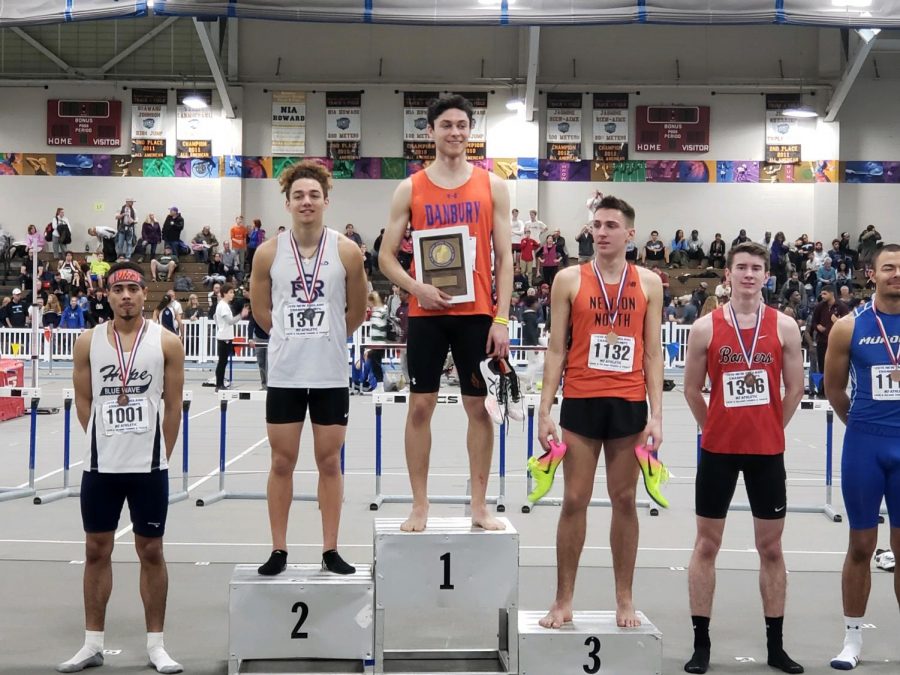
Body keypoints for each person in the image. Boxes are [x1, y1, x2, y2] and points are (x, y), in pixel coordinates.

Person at [378, 94, 512, 532]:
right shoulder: (410, 188)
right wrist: (417, 287)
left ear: (470, 132)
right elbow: (384, 258)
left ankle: (479, 505)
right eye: (446, 125)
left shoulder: (492, 185)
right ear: (430, 131)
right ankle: (420, 504)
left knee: (479, 409)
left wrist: (502, 319)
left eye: (462, 125)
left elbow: (505, 259)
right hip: (426, 313)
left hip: (477, 313)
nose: (455, 132)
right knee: (420, 406)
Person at [537, 195, 664, 631]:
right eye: (597, 224)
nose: (603, 232)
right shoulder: (569, 279)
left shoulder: (649, 282)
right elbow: (556, 348)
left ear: (630, 233)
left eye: (612, 225)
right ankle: (563, 598)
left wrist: (657, 414)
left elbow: (652, 352)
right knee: (574, 499)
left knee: (625, 499)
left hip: (628, 402)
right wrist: (544, 408)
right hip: (581, 401)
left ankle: (624, 599)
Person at [682, 242, 805, 675]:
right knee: (706, 545)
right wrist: (712, 426)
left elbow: (795, 389)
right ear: (728, 274)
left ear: (766, 275)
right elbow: (691, 389)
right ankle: (701, 645)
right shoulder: (705, 328)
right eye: (741, 268)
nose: (749, 275)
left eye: (756, 268)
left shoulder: (786, 327)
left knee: (770, 547)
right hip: (717, 451)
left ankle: (776, 646)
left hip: (767, 452)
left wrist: (773, 426)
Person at [58, 261, 185, 674]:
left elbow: (172, 406)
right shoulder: (88, 342)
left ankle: (157, 645)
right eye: (118, 290)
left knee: (151, 550)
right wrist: (101, 438)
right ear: (107, 295)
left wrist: (160, 455)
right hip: (101, 464)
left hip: (148, 466)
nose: (126, 296)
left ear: (144, 293)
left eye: (133, 288)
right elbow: (84, 401)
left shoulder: (166, 342)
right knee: (96, 549)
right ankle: (91, 642)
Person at [250, 159, 367, 576]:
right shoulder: (267, 252)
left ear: (326, 201)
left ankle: (330, 549)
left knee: (329, 462)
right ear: (287, 203)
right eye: (298, 195)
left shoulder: (347, 251)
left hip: (330, 372)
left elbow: (356, 310)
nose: (306, 201)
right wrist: (291, 336)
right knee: (281, 462)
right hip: (285, 372)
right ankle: (279, 549)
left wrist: (330, 334)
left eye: (314, 195)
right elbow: (262, 312)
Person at [824, 243, 900, 670]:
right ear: (871, 274)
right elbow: (834, 389)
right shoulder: (848, 328)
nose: (896, 274)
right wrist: (861, 423)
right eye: (887, 268)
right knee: (861, 545)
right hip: (866, 445)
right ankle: (852, 640)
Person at [810, 285, 850, 396]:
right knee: (823, 366)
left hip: (837, 342)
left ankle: (837, 390)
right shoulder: (819, 307)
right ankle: (823, 390)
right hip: (822, 341)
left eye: (824, 294)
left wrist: (837, 321)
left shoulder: (842, 307)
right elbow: (813, 321)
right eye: (821, 294)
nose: (822, 296)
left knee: (837, 367)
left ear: (832, 293)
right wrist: (817, 326)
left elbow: (848, 323)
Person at [213, 284, 248, 391]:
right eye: (231, 292)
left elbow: (215, 317)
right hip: (224, 337)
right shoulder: (223, 305)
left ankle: (220, 384)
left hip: (224, 335)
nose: (232, 295)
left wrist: (220, 327)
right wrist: (241, 315)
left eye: (233, 292)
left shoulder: (223, 305)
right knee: (222, 362)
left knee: (223, 362)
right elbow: (230, 321)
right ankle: (219, 385)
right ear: (225, 293)